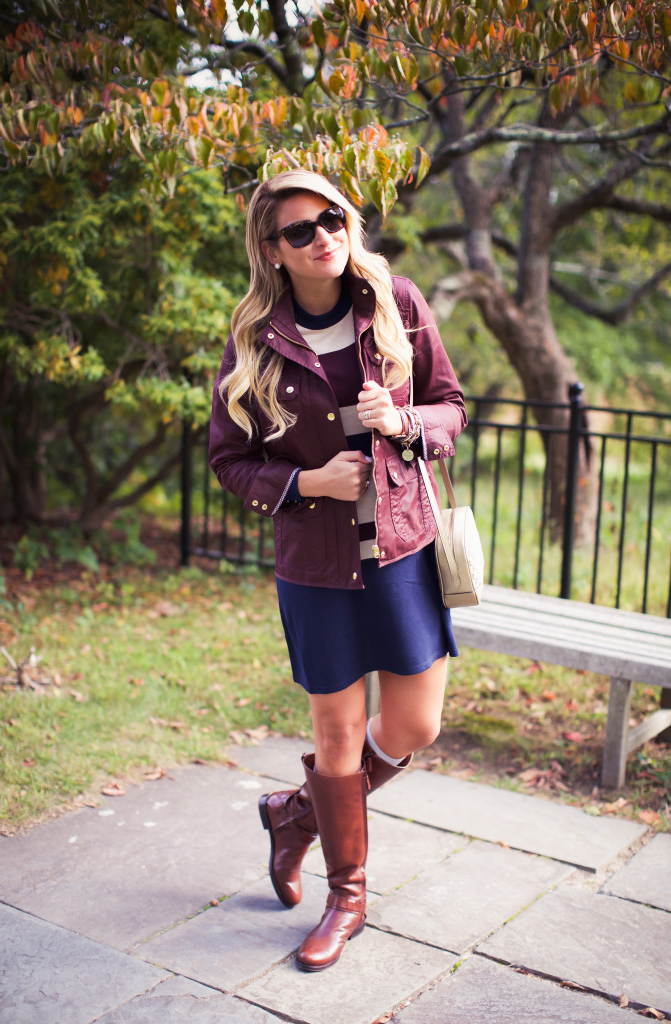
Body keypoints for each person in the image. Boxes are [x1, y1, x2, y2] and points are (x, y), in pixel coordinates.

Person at [209, 169, 467, 972]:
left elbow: (453, 405)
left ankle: (297, 814)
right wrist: (303, 483)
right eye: (299, 229)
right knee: (336, 735)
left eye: (332, 218)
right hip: (315, 565)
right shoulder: (254, 338)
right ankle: (345, 898)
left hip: (402, 551)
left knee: (415, 726)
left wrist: (407, 421)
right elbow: (228, 459)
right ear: (271, 250)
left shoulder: (397, 303)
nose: (324, 235)